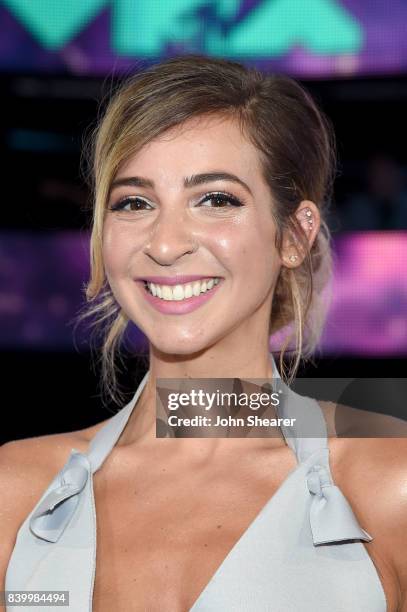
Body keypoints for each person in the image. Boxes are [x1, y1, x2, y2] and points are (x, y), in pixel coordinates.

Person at [1, 54, 407, 612]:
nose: (166, 244)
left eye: (216, 199)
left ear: (293, 234)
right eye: (134, 202)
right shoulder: (15, 492)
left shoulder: (389, 480)